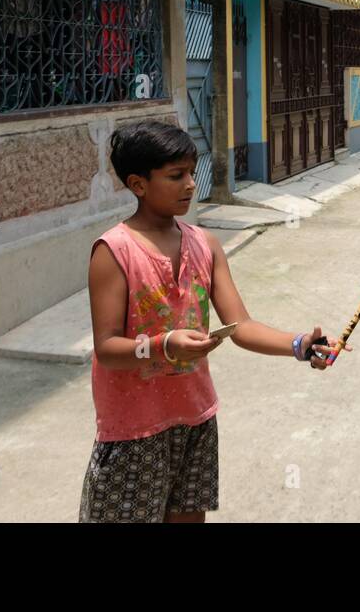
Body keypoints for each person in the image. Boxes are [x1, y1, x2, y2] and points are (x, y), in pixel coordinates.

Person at [80, 120, 334, 523]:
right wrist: (164, 346)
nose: (190, 185)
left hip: (196, 417)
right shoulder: (114, 252)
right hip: (132, 428)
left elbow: (241, 326)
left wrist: (298, 344)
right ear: (138, 184)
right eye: (175, 175)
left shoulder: (206, 244)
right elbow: (107, 349)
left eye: (191, 173)